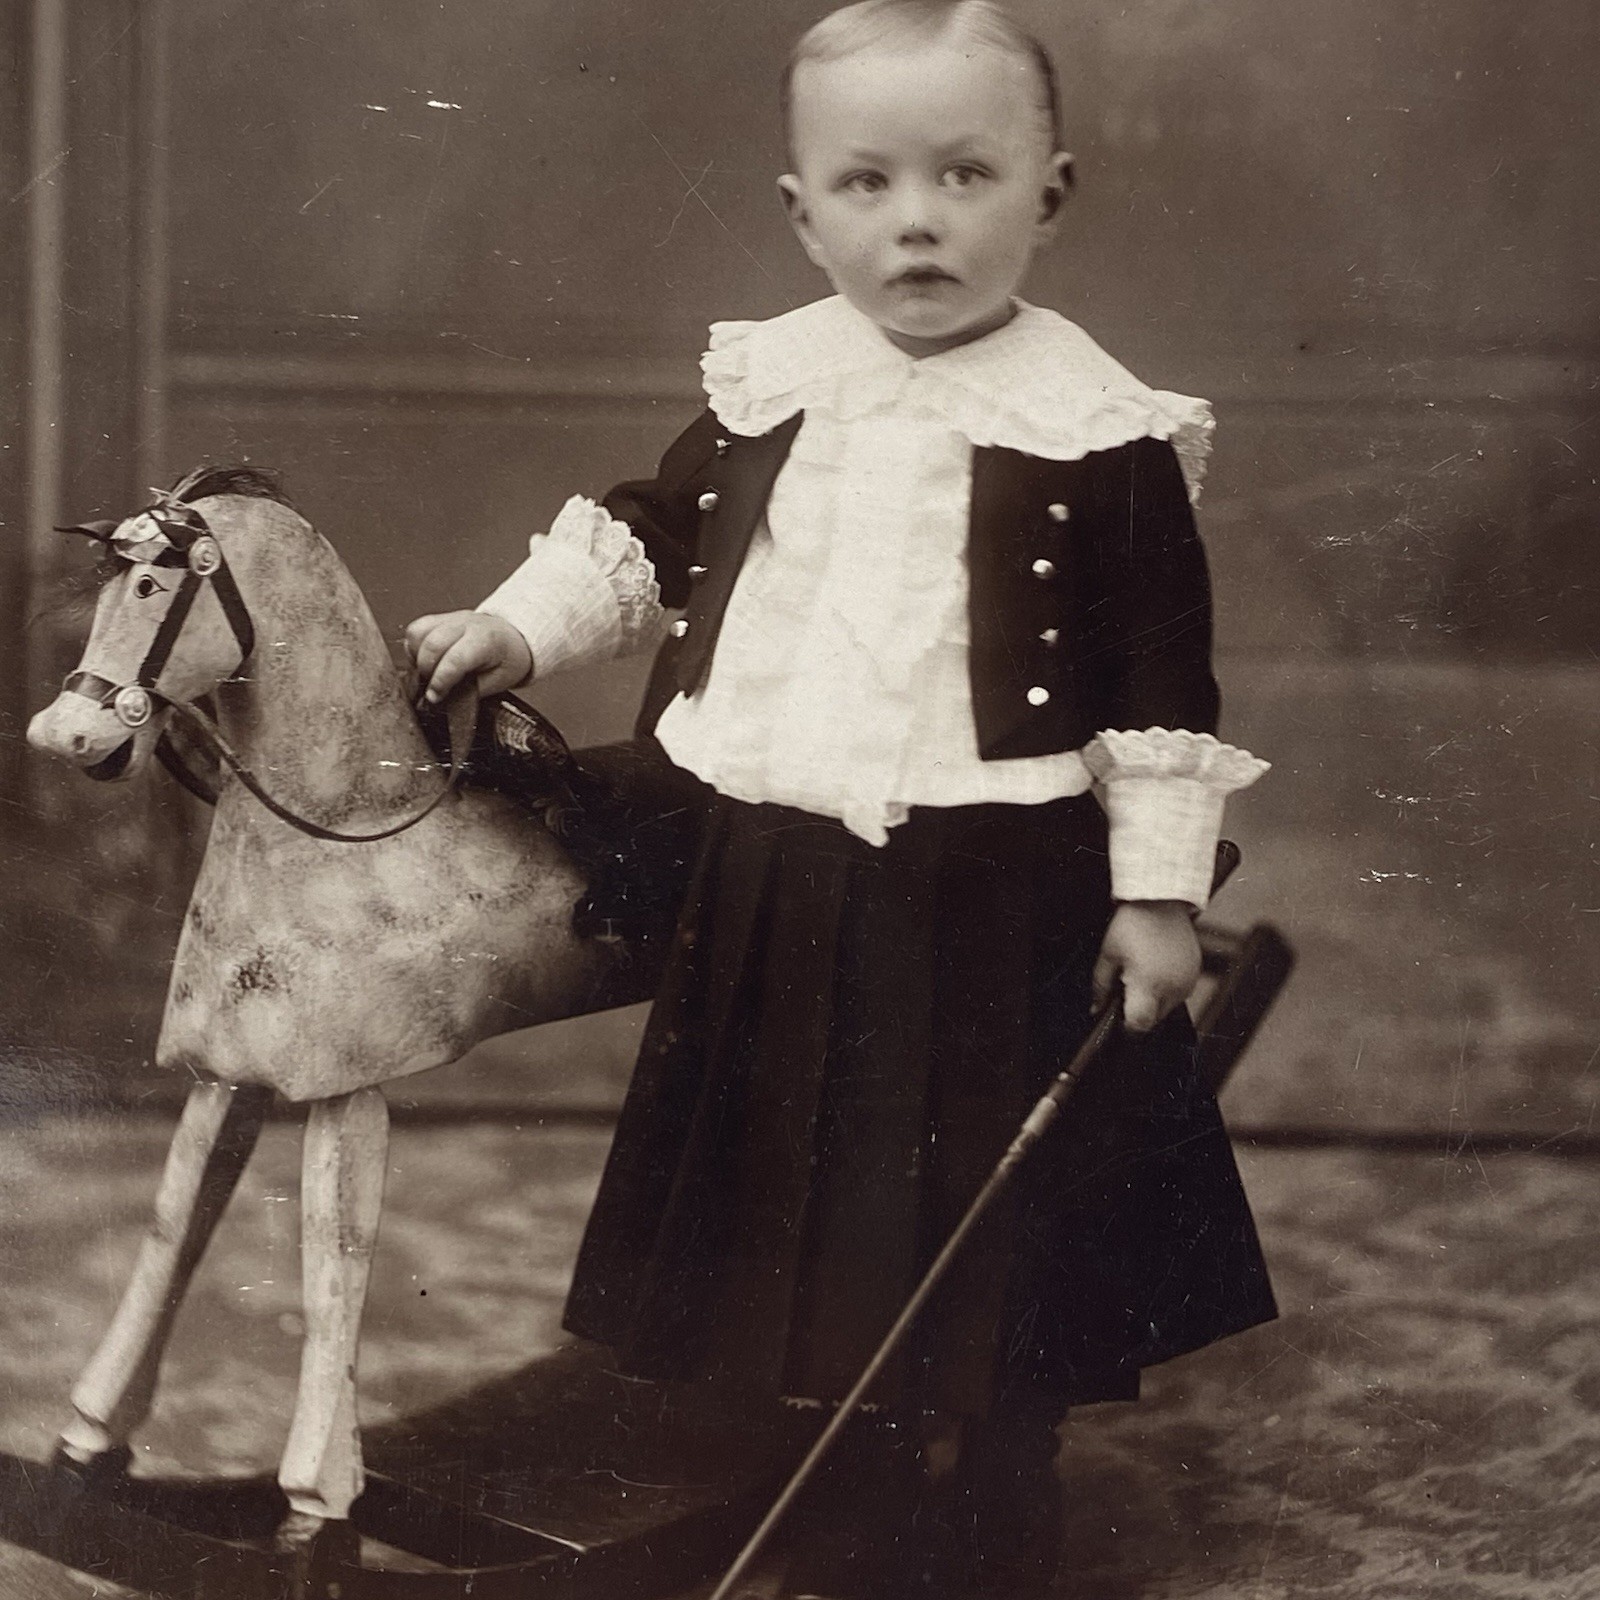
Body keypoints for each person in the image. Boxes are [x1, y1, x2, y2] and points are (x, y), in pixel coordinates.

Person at [407, 3, 1276, 1593]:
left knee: (991, 1201)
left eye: (966, 174)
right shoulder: (777, 382)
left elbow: (1161, 681)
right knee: (794, 1171)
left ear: (1051, 192)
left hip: (1000, 872)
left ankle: (1003, 1470)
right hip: (787, 859)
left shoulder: (1102, 430)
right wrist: (513, 625)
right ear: (803, 213)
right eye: (867, 185)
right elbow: (650, 538)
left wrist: (1155, 899)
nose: (920, 219)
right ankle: (824, 1463)